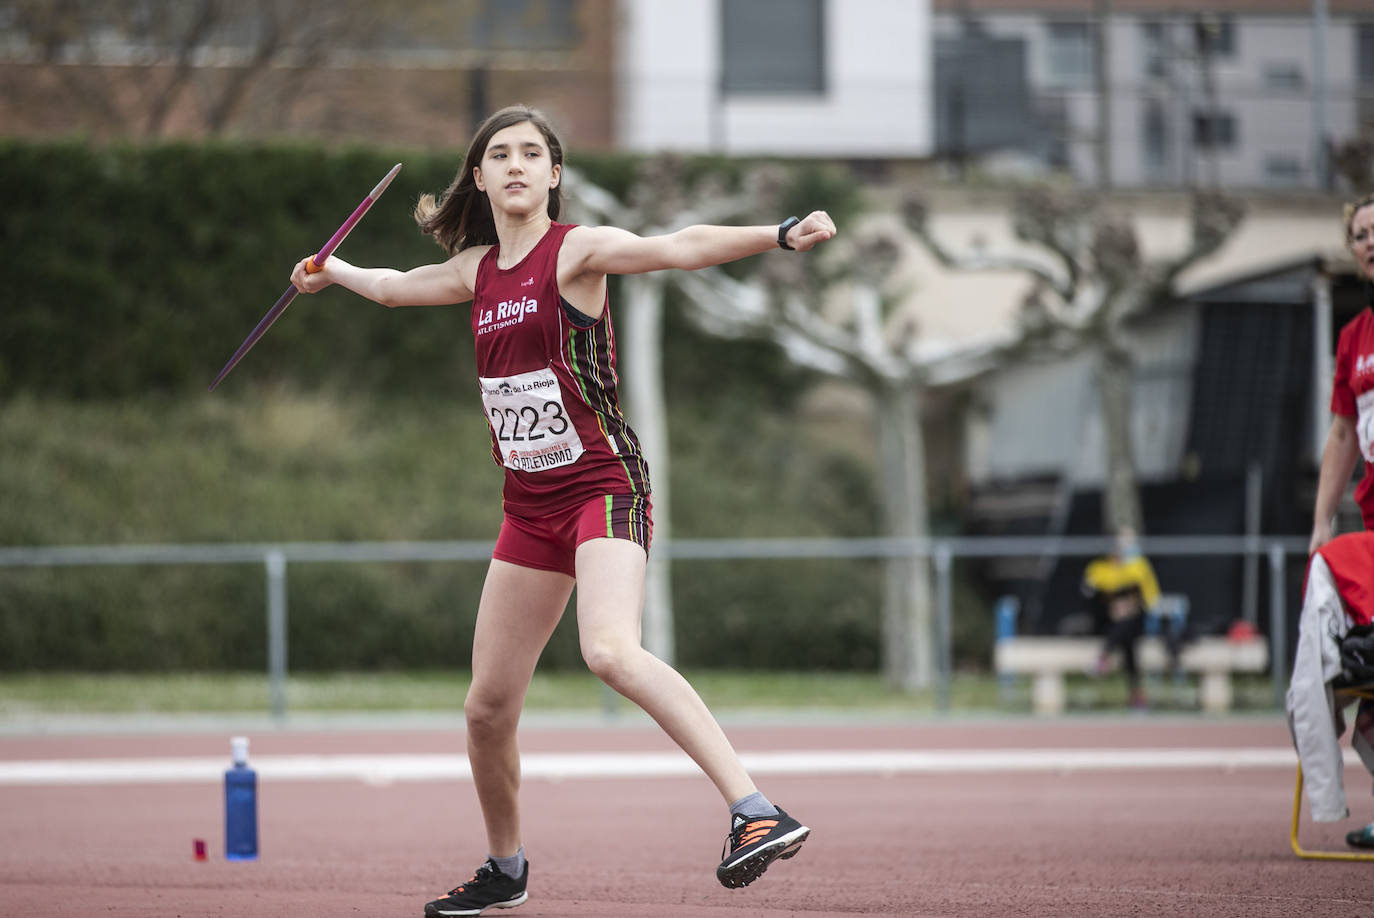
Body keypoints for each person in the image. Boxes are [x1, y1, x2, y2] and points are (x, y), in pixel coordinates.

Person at [289, 104, 835, 915]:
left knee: (610, 651)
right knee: (486, 708)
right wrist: (333, 272)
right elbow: (399, 290)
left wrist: (778, 232)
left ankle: (756, 811)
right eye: (499, 154)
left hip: (602, 487)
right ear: (478, 176)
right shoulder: (477, 270)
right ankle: (505, 870)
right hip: (528, 506)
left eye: (531, 154)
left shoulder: (575, 251)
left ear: (554, 175)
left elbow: (677, 247)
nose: (515, 165)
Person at [1308, 190, 1374, 848]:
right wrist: (1323, 522)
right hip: (1373, 532)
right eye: (1360, 233)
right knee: (1358, 669)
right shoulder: (1355, 338)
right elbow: (1341, 435)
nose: (1371, 241)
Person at [1082, 526, 1164, 710]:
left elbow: (1150, 599)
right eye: (1122, 542)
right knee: (1126, 634)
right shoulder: (1098, 568)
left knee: (1128, 630)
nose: (1125, 546)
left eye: (1129, 541)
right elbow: (1089, 597)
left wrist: (1129, 606)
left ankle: (1104, 656)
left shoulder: (1139, 566)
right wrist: (1111, 607)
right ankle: (1137, 693)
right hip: (1106, 622)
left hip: (1132, 621)